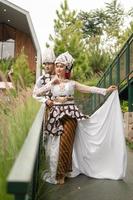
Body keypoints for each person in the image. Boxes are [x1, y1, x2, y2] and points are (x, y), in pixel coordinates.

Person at [42, 52, 127, 185]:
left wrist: (105, 90)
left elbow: (89, 89)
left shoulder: (72, 83)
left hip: (71, 115)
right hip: (55, 116)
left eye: (61, 66)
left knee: (66, 144)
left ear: (67, 69)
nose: (58, 68)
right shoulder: (52, 83)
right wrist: (47, 100)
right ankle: (56, 172)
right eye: (57, 66)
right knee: (55, 146)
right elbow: (37, 93)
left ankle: (62, 173)